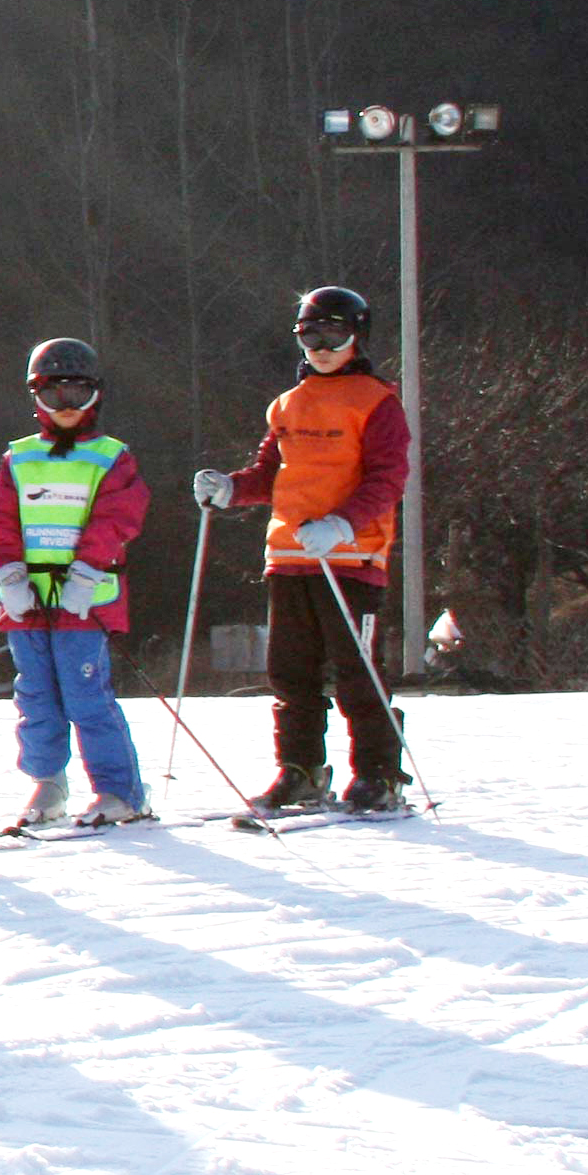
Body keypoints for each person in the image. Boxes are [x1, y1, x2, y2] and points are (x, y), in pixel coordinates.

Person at [192, 285, 412, 811]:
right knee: (291, 672)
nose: (322, 346)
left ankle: (379, 773)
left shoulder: (378, 402)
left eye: (334, 333)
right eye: (311, 334)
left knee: (357, 671)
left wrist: (342, 524)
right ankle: (301, 769)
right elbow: (271, 473)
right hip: (290, 556)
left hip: (351, 558)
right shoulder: (289, 404)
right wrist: (231, 489)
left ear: (357, 336)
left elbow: (388, 478)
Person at [0, 339, 151, 826]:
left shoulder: (111, 457)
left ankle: (121, 790)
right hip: (28, 602)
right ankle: (48, 783)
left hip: (83, 602)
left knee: (85, 696)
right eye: (56, 396)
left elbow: (118, 517)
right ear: (36, 398)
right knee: (35, 695)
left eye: (79, 394)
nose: (68, 407)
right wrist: (8, 573)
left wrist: (88, 572)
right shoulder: (19, 458)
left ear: (96, 396)